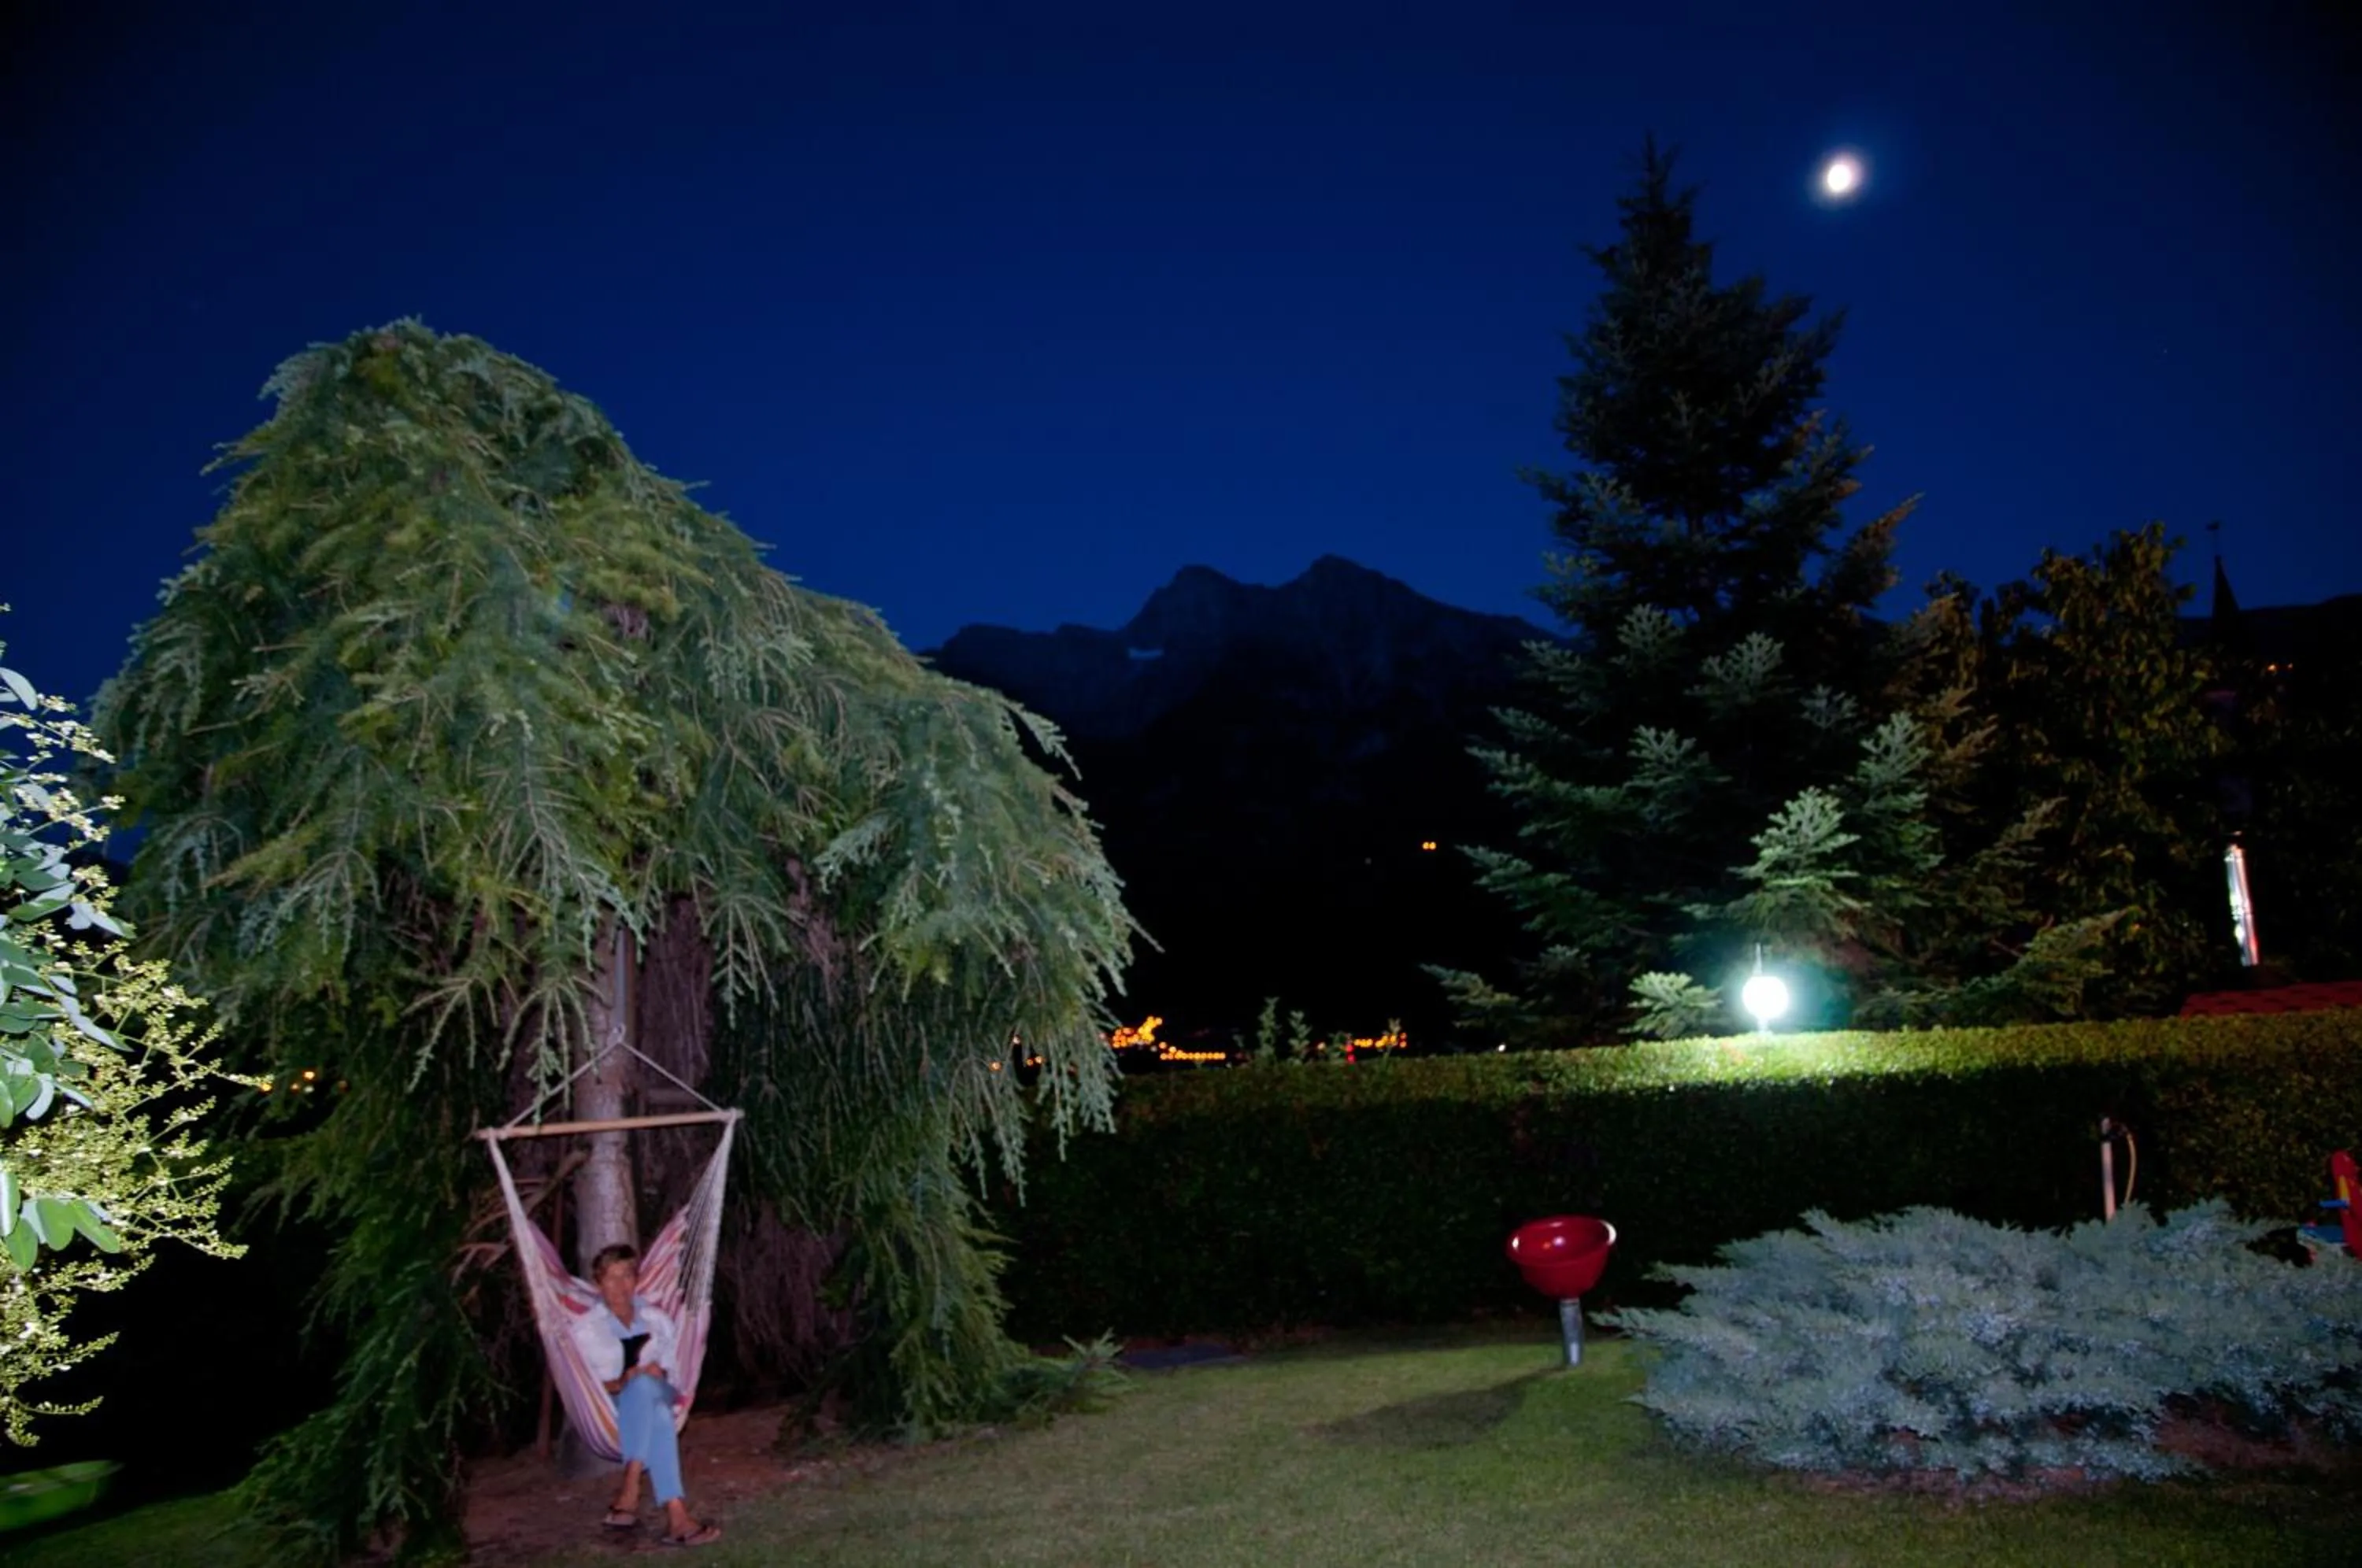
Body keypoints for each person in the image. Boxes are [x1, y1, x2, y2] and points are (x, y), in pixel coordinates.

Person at [571, 1243, 721, 1548]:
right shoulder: (585, 1330)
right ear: (599, 1283)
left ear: (636, 1279)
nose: (620, 1285)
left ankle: (630, 1485)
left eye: (626, 1275)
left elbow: (676, 1374)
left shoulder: (657, 1320)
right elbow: (584, 1387)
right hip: (612, 1407)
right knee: (657, 1413)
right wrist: (620, 1382)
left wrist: (659, 1375)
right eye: (611, 1277)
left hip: (661, 1391)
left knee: (645, 1387)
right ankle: (677, 1516)